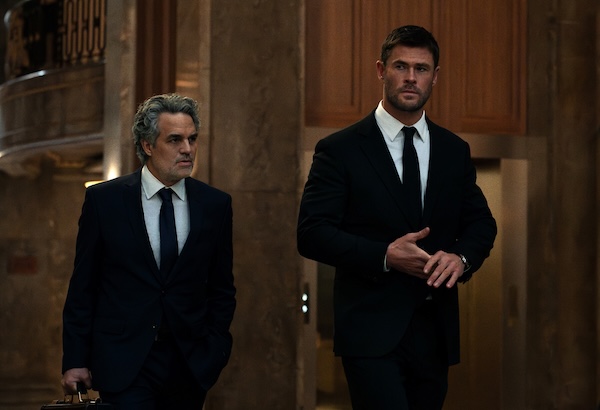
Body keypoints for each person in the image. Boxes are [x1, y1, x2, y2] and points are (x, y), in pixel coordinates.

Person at [297, 25, 497, 409]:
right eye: (400, 66)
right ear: (381, 70)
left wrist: (461, 258)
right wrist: (385, 256)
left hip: (435, 331)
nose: (410, 78)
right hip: (370, 332)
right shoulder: (340, 150)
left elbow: (481, 224)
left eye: (421, 69)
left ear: (435, 76)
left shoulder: (453, 150)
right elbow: (312, 233)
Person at [61, 93, 236, 409]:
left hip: (189, 363)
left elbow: (222, 288)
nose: (187, 148)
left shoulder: (215, 204)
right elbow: (83, 287)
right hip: (123, 362)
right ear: (147, 145)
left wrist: (216, 348)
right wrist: (75, 359)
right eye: (175, 139)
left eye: (192, 138)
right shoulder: (105, 201)